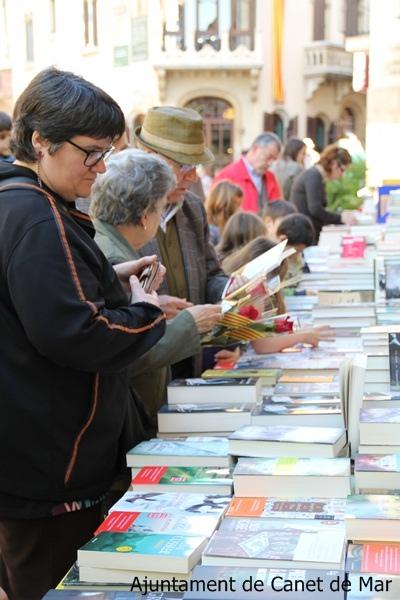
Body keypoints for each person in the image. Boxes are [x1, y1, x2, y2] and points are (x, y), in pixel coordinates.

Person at [0, 68, 166, 600]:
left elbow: (37, 303)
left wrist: (104, 278)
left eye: (107, 152)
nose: (100, 167)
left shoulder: (24, 203)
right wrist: (146, 311)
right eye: (91, 152)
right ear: (41, 142)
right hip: (51, 467)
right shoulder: (36, 214)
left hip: (34, 459)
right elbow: (75, 331)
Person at [91, 149, 222, 428]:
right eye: (161, 207)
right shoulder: (113, 256)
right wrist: (190, 323)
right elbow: (128, 352)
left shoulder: (108, 244)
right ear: (143, 217)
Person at [134, 106, 228, 376]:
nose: (193, 177)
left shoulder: (192, 208)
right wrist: (154, 304)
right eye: (184, 166)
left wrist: (234, 289)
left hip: (189, 360)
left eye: (195, 166)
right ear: (151, 159)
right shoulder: (118, 210)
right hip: (146, 368)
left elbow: (211, 273)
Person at [222, 237, 334, 353]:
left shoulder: (253, 288)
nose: (267, 287)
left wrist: (298, 331)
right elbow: (262, 345)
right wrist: (302, 336)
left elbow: (265, 329)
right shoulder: (244, 291)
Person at [290, 144, 357, 241]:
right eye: (342, 170)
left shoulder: (316, 176)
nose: (342, 175)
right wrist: (340, 218)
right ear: (334, 164)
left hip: (309, 231)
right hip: (305, 235)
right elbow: (315, 209)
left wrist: (340, 215)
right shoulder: (313, 176)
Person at [213, 131, 282, 214]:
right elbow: (217, 212)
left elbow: (279, 209)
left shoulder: (271, 178)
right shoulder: (226, 176)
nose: (270, 163)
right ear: (255, 149)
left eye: (274, 159)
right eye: (269, 157)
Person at [205, 179, 243, 245]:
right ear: (224, 206)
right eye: (237, 205)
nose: (240, 209)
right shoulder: (210, 230)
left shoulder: (235, 225)